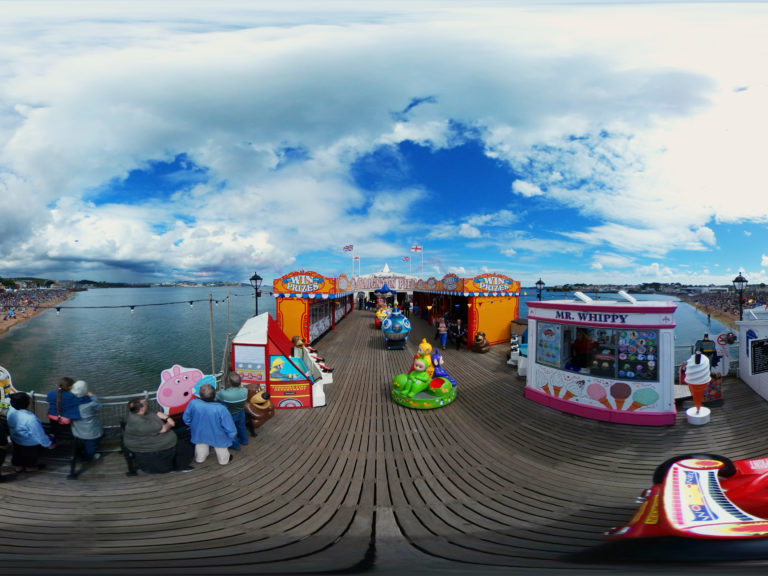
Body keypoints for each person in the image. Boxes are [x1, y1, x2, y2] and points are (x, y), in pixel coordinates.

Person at [124, 398, 192, 473]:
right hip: (148, 446)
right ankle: (177, 466)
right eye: (145, 403)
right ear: (141, 409)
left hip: (155, 436)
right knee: (184, 447)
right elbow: (163, 429)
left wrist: (167, 418)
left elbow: (157, 413)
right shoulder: (141, 424)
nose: (147, 403)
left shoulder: (137, 411)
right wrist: (170, 422)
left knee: (183, 445)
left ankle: (178, 463)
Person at [183, 383, 236, 466]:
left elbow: (186, 418)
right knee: (221, 448)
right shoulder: (221, 409)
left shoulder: (193, 403)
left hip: (199, 432)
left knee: (200, 445)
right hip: (217, 435)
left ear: (200, 394)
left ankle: (200, 459)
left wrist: (192, 425)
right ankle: (223, 461)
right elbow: (229, 426)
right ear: (214, 394)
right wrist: (231, 435)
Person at [7, 392, 54, 473]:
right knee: (30, 458)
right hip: (29, 444)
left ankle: (18, 467)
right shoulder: (31, 419)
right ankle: (30, 467)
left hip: (16, 440)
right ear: (27, 404)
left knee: (17, 454)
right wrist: (48, 444)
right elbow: (39, 435)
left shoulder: (11, 411)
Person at [70, 380, 103, 462]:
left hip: (77, 429)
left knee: (81, 442)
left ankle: (80, 454)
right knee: (91, 445)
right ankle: (88, 458)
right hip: (90, 430)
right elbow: (99, 407)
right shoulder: (90, 402)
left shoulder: (70, 401)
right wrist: (92, 396)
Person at [216, 372, 249, 451]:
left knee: (231, 430)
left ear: (229, 382)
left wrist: (223, 390)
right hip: (241, 412)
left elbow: (216, 396)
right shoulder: (245, 390)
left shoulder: (224, 393)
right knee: (242, 427)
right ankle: (244, 440)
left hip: (230, 414)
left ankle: (236, 445)